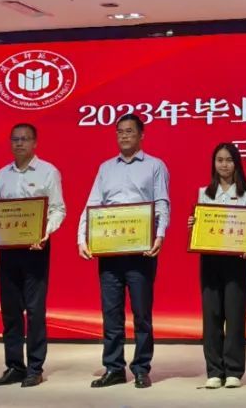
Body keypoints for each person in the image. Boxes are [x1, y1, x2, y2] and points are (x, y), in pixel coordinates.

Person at [77, 114, 170, 389]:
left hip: (141, 251)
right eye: (120, 131)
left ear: (141, 135)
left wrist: (160, 235)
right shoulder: (106, 168)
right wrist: (81, 238)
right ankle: (114, 367)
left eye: (129, 131)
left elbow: (162, 203)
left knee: (141, 314)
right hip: (110, 250)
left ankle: (141, 368)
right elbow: (92, 204)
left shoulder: (155, 165)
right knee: (111, 313)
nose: (124, 136)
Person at [0, 123, 66, 388]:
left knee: (35, 311)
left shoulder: (48, 171)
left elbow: (58, 209)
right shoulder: (2, 174)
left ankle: (35, 368)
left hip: (35, 249)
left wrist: (45, 233)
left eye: (25, 139)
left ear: (35, 143)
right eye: (15, 139)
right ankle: (15, 366)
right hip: (8, 252)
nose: (19, 143)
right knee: (10, 311)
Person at [186, 143, 246, 389]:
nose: (224, 165)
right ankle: (215, 370)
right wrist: (194, 225)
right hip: (210, 259)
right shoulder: (204, 192)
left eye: (229, 160)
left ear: (236, 163)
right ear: (213, 164)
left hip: (237, 260)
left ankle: (234, 370)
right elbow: (201, 226)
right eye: (219, 160)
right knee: (212, 316)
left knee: (235, 316)